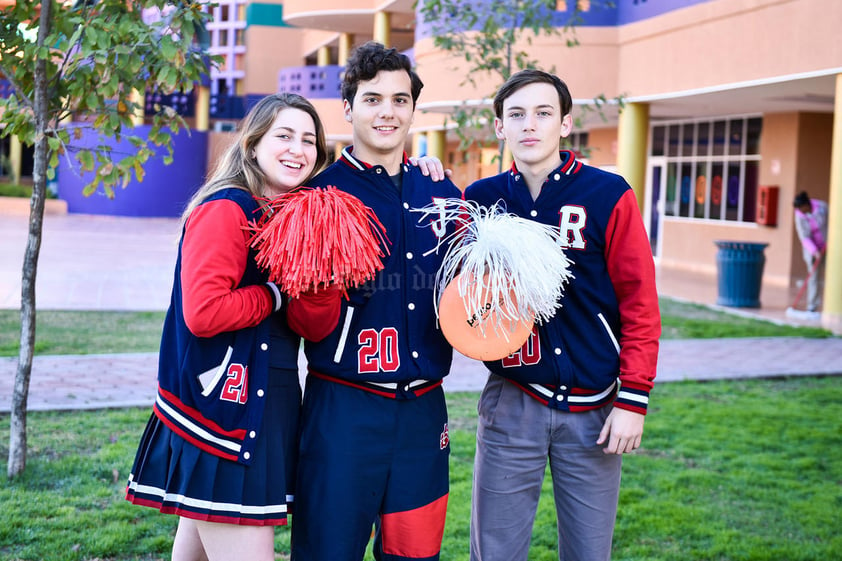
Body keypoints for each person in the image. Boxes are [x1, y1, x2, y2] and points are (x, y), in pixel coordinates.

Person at [463, 69, 661, 561]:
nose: (530, 125)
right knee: (495, 551)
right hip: (513, 397)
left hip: (594, 404)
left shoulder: (607, 193)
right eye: (516, 114)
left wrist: (633, 399)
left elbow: (640, 302)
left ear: (566, 123)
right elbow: (459, 297)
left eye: (543, 113)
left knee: (589, 552)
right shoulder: (478, 201)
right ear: (499, 127)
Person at [124, 93, 329, 561]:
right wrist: (275, 293)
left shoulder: (291, 218)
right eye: (284, 135)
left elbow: (311, 325)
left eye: (308, 140)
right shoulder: (228, 208)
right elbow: (204, 312)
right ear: (253, 145)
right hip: (220, 416)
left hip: (263, 411)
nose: (298, 149)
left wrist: (317, 275)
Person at [287, 41, 462, 561]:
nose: (387, 111)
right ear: (348, 108)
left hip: (425, 410)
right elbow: (302, 320)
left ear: (413, 108)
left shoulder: (441, 191)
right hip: (344, 408)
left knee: (414, 555)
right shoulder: (317, 196)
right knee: (327, 552)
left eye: (400, 99)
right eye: (372, 98)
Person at [792, 190, 828, 312]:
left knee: (834, 273)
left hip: (827, 246)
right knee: (813, 276)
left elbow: (832, 223)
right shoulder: (799, 216)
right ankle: (812, 305)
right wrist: (814, 251)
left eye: (801, 208)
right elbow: (804, 237)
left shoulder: (822, 207)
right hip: (811, 248)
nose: (800, 211)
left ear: (806, 205)